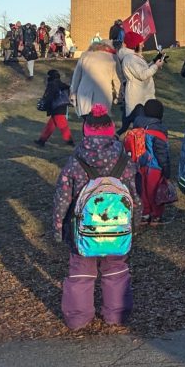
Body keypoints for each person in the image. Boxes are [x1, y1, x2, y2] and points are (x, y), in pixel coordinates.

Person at [51, 104, 141, 330]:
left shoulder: (75, 162)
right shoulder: (124, 162)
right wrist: (134, 225)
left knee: (80, 271)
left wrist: (58, 227)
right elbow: (135, 199)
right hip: (117, 229)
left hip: (82, 231)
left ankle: (78, 318)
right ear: (111, 131)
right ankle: (116, 313)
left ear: (86, 131)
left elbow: (62, 199)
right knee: (116, 269)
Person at [126, 99, 172, 226]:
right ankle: (156, 216)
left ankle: (144, 215)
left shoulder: (137, 125)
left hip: (138, 165)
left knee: (142, 191)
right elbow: (162, 153)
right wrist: (166, 171)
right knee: (155, 191)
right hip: (155, 167)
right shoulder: (159, 131)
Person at [117, 32, 165, 134]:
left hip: (141, 95)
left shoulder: (134, 57)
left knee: (130, 126)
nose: (143, 45)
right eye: (141, 43)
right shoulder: (130, 58)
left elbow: (143, 69)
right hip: (137, 98)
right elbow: (143, 75)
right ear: (135, 45)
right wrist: (156, 66)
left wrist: (154, 61)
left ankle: (118, 138)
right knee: (140, 126)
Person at [70, 41, 121, 120]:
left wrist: (73, 92)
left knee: (86, 120)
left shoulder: (85, 56)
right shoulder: (112, 58)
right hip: (103, 93)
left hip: (84, 92)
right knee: (101, 120)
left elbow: (76, 77)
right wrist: (118, 95)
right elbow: (117, 79)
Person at [35, 69, 74, 147]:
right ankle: (42, 140)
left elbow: (49, 97)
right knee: (50, 126)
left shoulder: (52, 84)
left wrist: (44, 105)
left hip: (57, 107)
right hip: (61, 106)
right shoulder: (61, 84)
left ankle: (70, 142)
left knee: (63, 125)